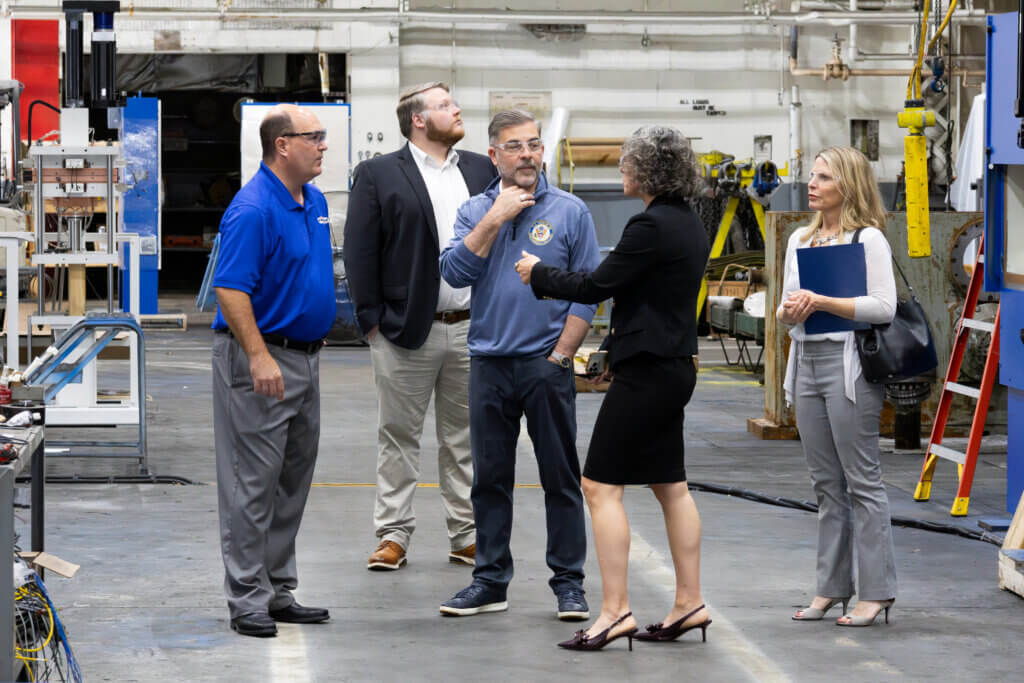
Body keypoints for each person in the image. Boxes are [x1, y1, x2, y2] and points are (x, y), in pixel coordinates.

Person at [515, 125, 713, 651]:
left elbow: (596, 286)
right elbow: (649, 300)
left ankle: (614, 611)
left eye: (626, 162)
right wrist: (614, 350)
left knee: (601, 487)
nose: (620, 170)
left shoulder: (648, 226)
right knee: (671, 485)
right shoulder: (687, 222)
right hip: (673, 366)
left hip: (648, 373)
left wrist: (538, 273)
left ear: (647, 170)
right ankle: (689, 602)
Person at [437, 109, 601, 620]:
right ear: (494, 156)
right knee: (489, 479)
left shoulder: (571, 211)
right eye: (515, 146)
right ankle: (489, 581)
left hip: (543, 365)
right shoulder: (473, 211)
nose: (528, 155)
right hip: (488, 363)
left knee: (560, 477)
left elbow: (590, 292)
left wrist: (561, 354)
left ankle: (569, 585)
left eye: (533, 145)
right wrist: (495, 217)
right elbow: (455, 273)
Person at [344, 82, 496, 571]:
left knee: (463, 438)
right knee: (399, 436)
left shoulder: (480, 169)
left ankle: (466, 533)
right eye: (446, 105)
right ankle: (393, 534)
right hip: (404, 330)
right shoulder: (378, 174)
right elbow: (360, 251)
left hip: (472, 327)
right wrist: (371, 323)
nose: (457, 110)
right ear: (418, 120)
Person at [212, 104, 336, 637]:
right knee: (251, 485)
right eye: (315, 137)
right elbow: (230, 288)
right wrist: (259, 355)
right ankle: (246, 599)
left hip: (307, 358)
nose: (324, 145)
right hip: (262, 358)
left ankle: (277, 589)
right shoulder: (252, 208)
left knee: (290, 482)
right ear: (283, 145)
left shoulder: (316, 200)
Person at [776, 146, 898, 627]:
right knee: (826, 484)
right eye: (812, 176)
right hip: (806, 359)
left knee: (863, 481)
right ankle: (831, 587)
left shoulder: (868, 241)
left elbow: (884, 308)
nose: (812, 184)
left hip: (848, 366)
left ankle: (877, 592)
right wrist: (791, 311)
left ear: (847, 185)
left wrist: (827, 300)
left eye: (823, 177)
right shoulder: (800, 240)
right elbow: (788, 310)